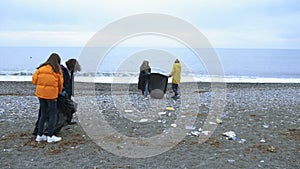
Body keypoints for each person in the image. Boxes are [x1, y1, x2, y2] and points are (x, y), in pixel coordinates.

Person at [32, 53, 63, 143]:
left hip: (41, 94)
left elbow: (34, 80)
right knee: (52, 115)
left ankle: (39, 135)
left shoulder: (41, 68)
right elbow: (60, 84)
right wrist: (59, 92)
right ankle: (50, 136)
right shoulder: (57, 70)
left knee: (43, 114)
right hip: (52, 95)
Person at [60, 58, 81, 124]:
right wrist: (62, 90)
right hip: (62, 92)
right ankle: (64, 122)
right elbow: (60, 81)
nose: (73, 71)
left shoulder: (70, 71)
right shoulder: (62, 69)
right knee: (67, 107)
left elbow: (70, 82)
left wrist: (72, 92)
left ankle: (67, 121)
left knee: (71, 107)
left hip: (68, 92)